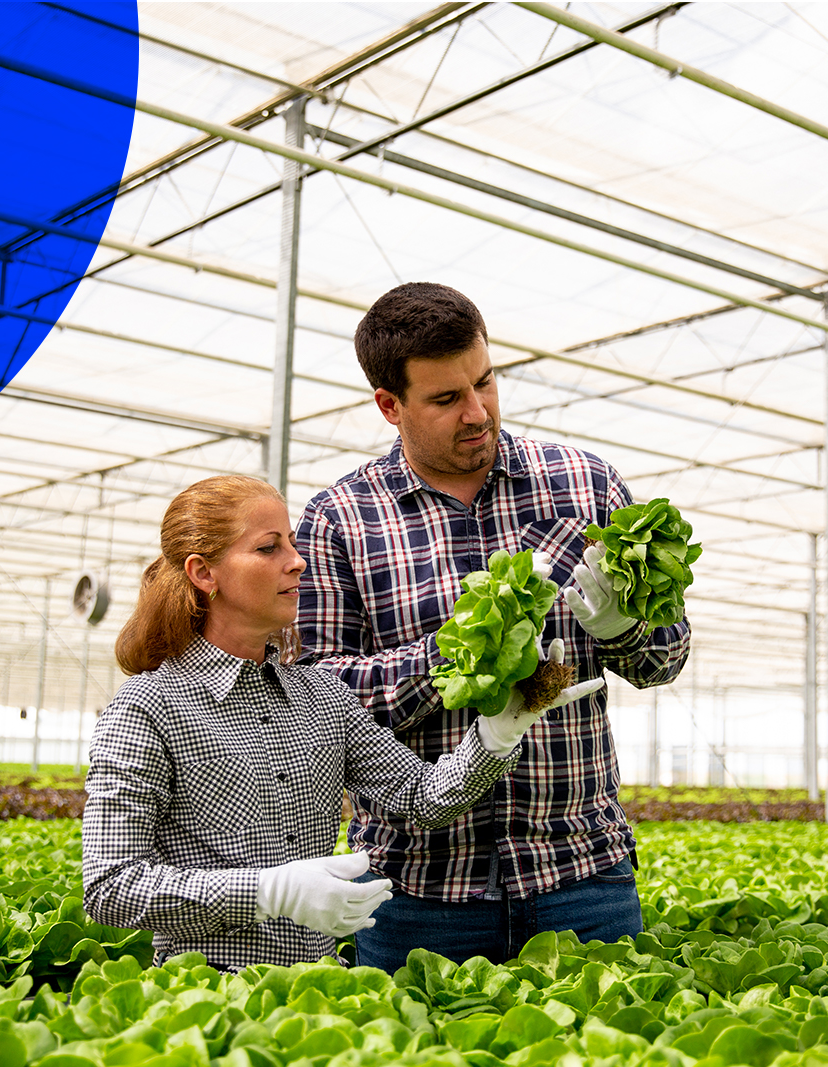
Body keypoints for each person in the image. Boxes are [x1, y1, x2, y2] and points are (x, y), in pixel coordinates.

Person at [294, 282, 693, 972]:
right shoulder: (341, 519)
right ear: (390, 406)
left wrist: (626, 626)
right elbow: (313, 700)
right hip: (416, 891)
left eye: (485, 382)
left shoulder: (585, 484)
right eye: (446, 399)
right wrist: (458, 656)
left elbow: (666, 658)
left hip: (581, 878)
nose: (478, 412)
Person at [81, 474, 598, 972]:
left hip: (320, 992)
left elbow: (421, 797)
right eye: (269, 548)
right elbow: (109, 888)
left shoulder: (323, 696)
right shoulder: (147, 707)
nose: (298, 562)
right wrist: (267, 893)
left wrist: (497, 734)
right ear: (204, 573)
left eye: (292, 543)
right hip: (202, 998)